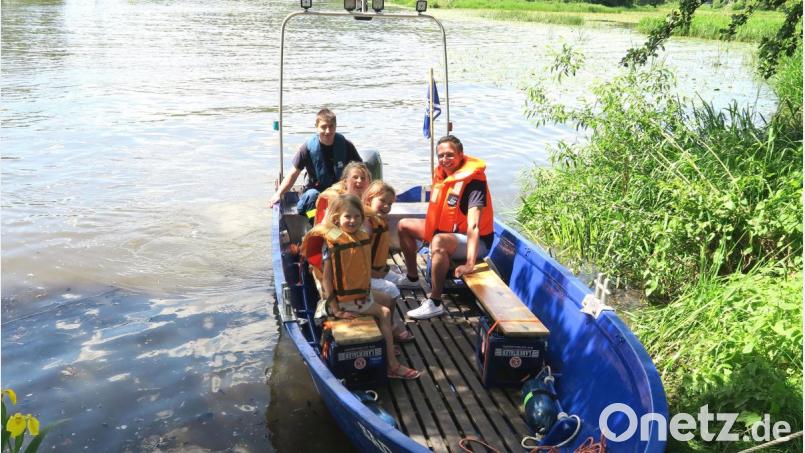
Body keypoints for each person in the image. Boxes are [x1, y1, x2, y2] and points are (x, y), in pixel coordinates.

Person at [301, 194, 422, 380]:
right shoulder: (332, 244)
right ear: (337, 219)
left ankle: (385, 343)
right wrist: (336, 309)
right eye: (347, 216)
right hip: (344, 302)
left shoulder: (359, 236)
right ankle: (392, 366)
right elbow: (327, 280)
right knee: (384, 313)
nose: (353, 220)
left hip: (359, 295)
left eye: (357, 216)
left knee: (388, 299)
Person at [397, 135, 495, 319]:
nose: (444, 159)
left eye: (450, 155)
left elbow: (474, 225)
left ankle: (435, 302)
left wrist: (470, 264)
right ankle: (412, 278)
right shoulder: (444, 176)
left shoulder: (474, 182)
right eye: (441, 155)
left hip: (476, 242)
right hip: (450, 233)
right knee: (404, 225)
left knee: (439, 241)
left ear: (460, 155)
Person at [268, 108, 362, 218]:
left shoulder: (346, 145)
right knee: (312, 198)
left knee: (349, 198)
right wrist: (278, 194)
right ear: (316, 127)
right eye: (323, 127)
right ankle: (314, 223)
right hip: (315, 193)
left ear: (336, 127)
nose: (328, 131)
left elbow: (361, 170)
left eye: (331, 126)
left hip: (339, 192)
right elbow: (293, 173)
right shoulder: (307, 148)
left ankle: (339, 221)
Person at [362, 180, 414, 343]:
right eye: (382, 201)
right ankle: (390, 325)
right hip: (363, 275)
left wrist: (381, 270)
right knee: (392, 290)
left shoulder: (378, 219)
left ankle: (384, 318)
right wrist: (372, 273)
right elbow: (359, 258)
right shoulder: (366, 223)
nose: (386, 206)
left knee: (397, 280)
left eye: (390, 203)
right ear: (369, 199)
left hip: (377, 269)